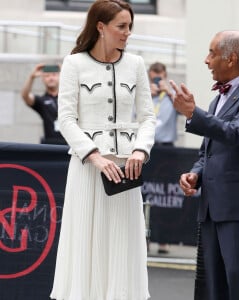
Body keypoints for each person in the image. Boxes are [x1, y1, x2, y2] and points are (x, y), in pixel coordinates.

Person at [50, 1, 156, 299]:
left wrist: (140, 151)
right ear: (100, 26)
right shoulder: (74, 64)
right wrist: (94, 156)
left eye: (130, 26)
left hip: (125, 171)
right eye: (121, 26)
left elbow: (148, 117)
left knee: (123, 244)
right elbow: (67, 119)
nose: (128, 33)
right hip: (88, 170)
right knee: (85, 242)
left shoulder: (136, 64)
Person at [170, 30, 239, 300]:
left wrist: (194, 113)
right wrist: (195, 173)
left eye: (212, 53)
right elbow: (209, 152)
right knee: (214, 289)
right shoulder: (218, 99)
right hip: (213, 209)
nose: (206, 60)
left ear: (231, 59)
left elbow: (234, 133)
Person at [148, 61, 178, 254]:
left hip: (167, 150)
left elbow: (186, 112)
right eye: (154, 76)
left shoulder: (170, 96)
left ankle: (163, 239)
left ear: (165, 75)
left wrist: (168, 92)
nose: (157, 79)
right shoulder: (142, 94)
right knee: (144, 193)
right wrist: (145, 95)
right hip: (147, 147)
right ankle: (144, 237)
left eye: (160, 76)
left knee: (164, 194)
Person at [21, 63, 66, 145]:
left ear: (60, 76)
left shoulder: (67, 97)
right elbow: (25, 96)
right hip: (50, 145)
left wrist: (66, 71)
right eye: (47, 76)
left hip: (69, 145)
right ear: (42, 79)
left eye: (54, 75)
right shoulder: (41, 101)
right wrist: (32, 77)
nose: (51, 78)